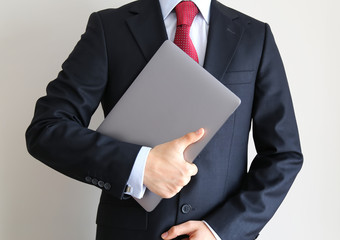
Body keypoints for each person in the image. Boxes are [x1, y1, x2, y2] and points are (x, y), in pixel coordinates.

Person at [25, 0, 303, 239]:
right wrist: (139, 166)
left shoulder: (255, 36)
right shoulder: (109, 28)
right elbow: (47, 128)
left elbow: (283, 154)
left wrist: (222, 230)